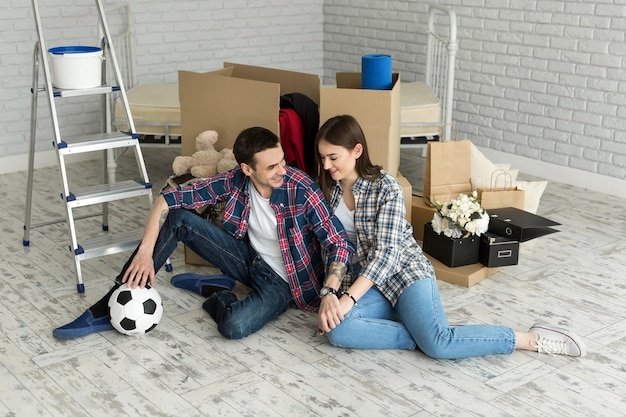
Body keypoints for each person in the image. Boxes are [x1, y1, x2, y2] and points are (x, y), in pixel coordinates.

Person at [313, 114, 586, 358]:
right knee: (338, 329)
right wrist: (331, 293)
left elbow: (387, 255)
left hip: (404, 274)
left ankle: (528, 339)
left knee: (440, 345)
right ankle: (424, 332)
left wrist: (347, 299)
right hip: (365, 283)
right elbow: (335, 248)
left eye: (333, 157)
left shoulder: (387, 188)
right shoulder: (328, 192)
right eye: (322, 157)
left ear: (357, 150)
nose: (326, 166)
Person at [54, 126, 355, 339]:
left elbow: (339, 243)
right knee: (180, 219)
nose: (282, 170)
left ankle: (217, 294)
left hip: (285, 282)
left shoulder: (300, 188)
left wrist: (329, 291)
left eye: (282, 161)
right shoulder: (235, 180)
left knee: (233, 327)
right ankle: (106, 306)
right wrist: (146, 251)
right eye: (272, 166)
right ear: (247, 169)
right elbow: (167, 198)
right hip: (249, 260)